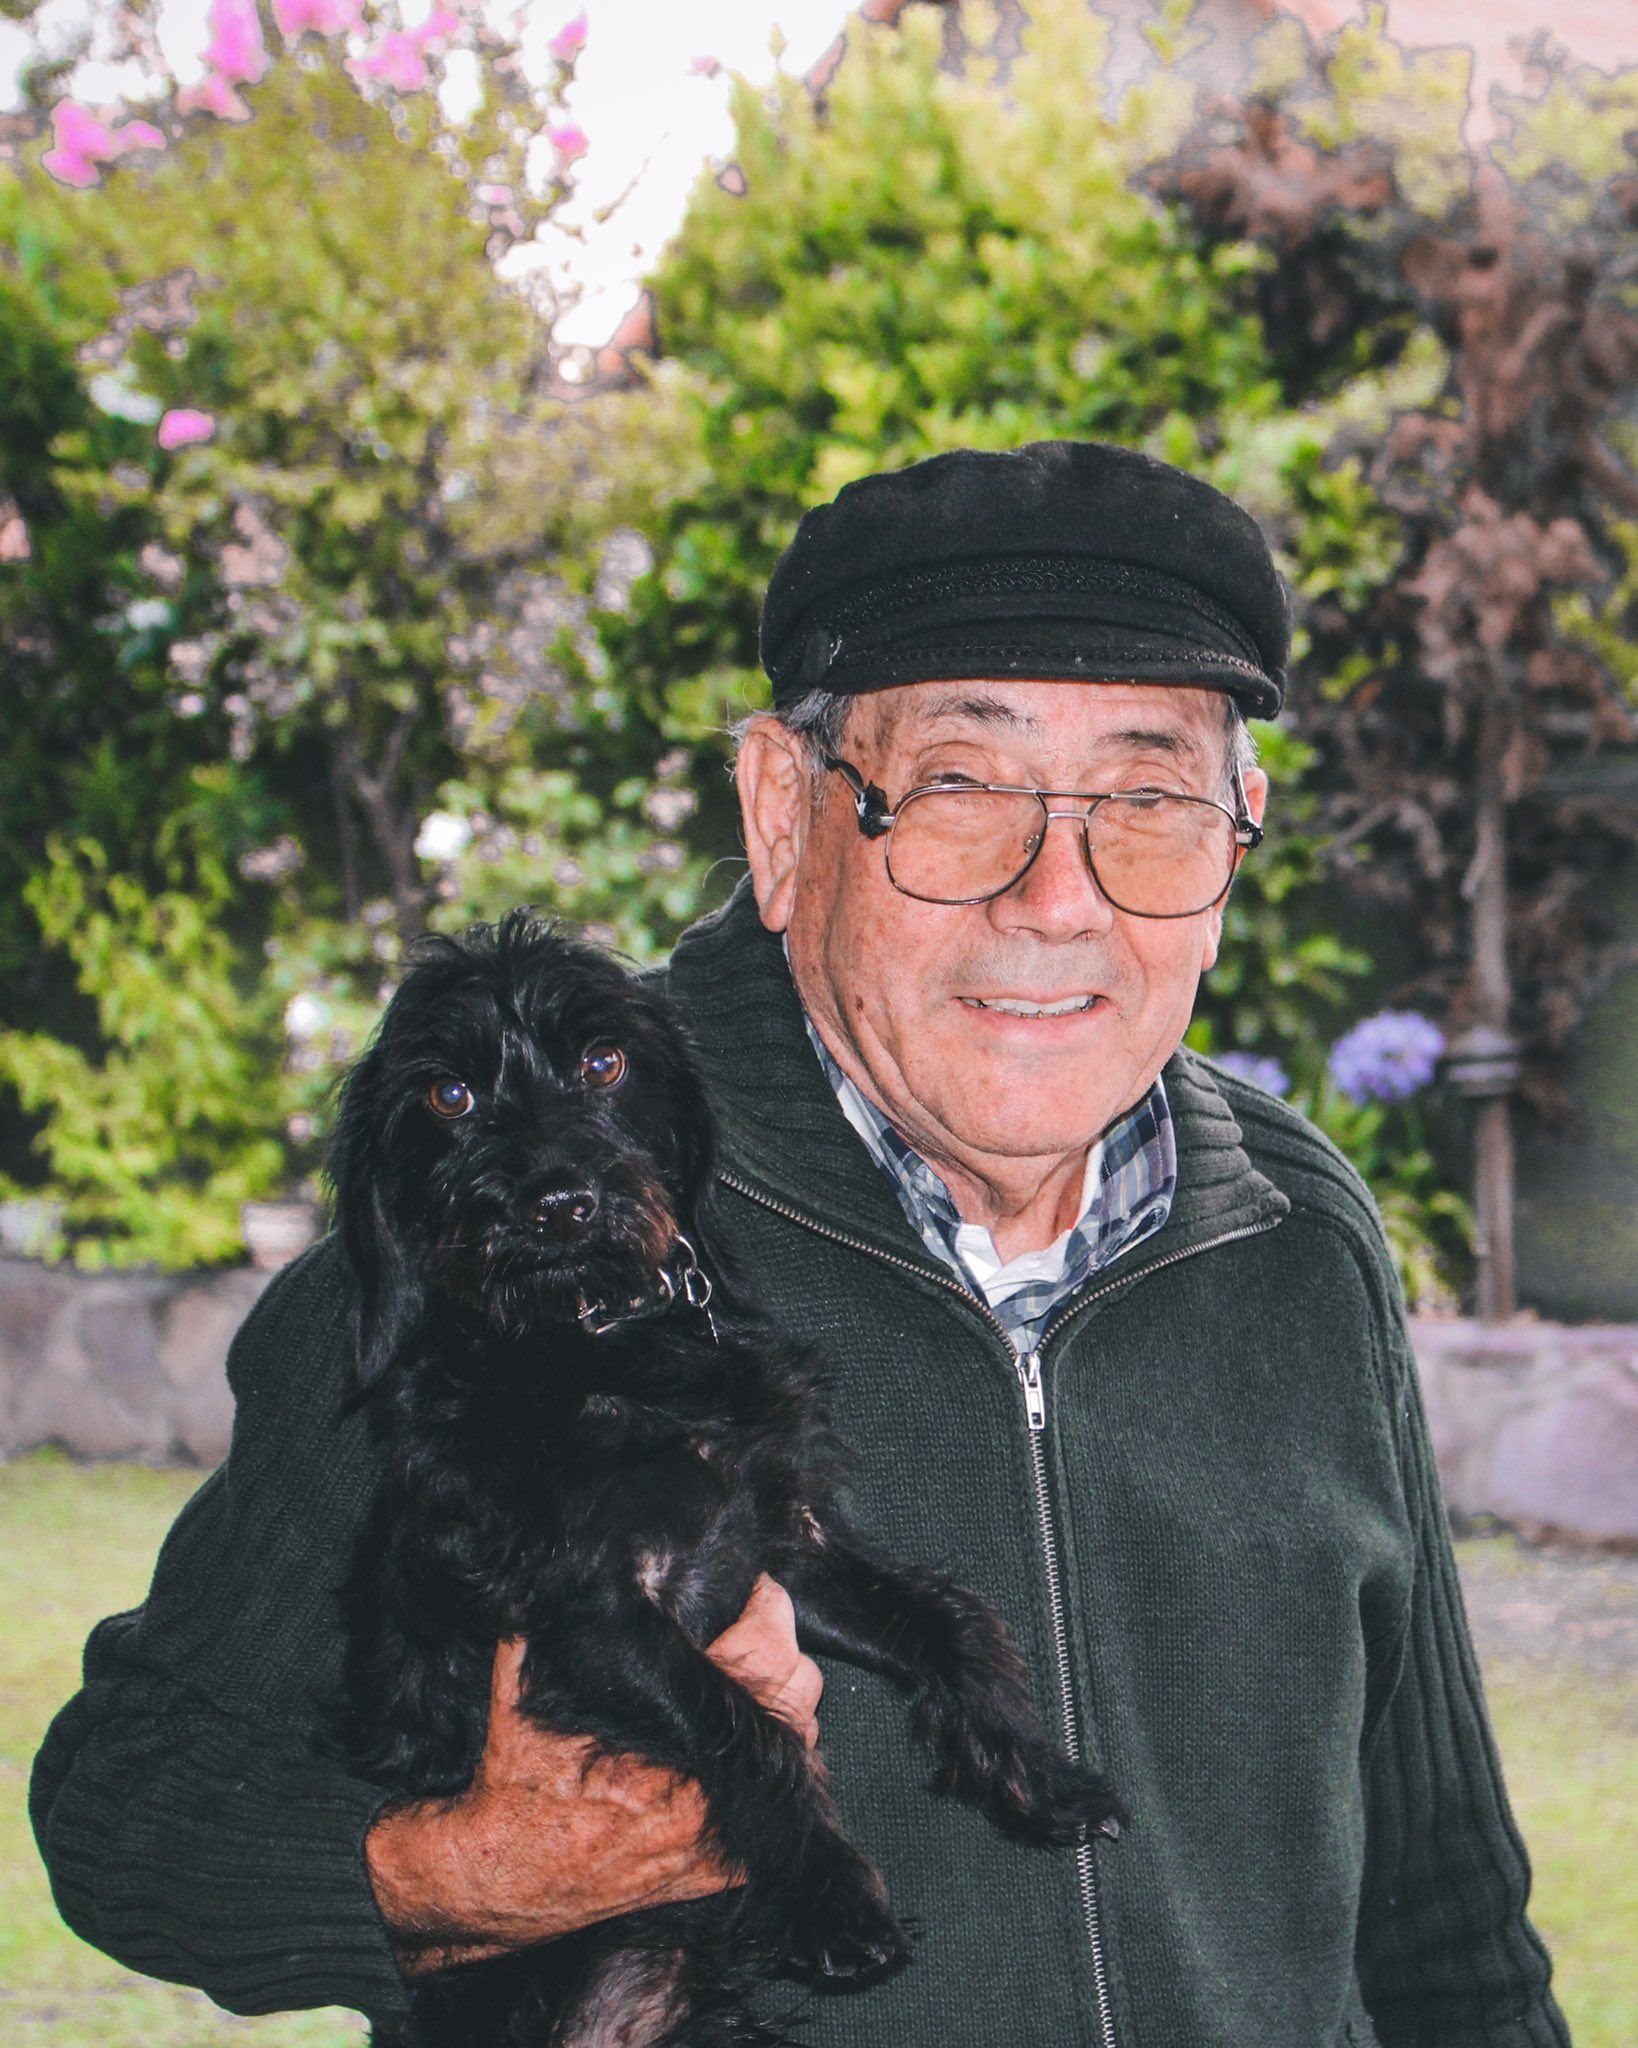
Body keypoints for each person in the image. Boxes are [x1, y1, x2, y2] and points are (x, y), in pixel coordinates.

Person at [31, 441, 1569, 2047]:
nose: (1059, 897)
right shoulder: (499, 1231)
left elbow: (1442, 1911)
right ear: (782, 811)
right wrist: (463, 1872)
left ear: (1236, 831)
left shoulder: (1296, 1239)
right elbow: (132, 1813)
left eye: (1147, 796)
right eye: (962, 790)